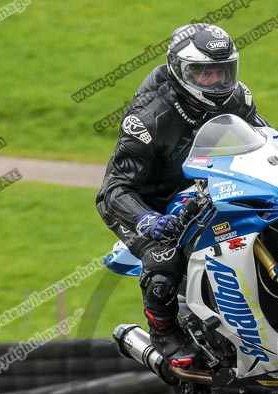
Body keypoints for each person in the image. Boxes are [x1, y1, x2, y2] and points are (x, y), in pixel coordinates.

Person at [96, 23, 269, 369]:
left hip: (208, 186)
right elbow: (114, 189)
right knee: (165, 261)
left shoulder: (238, 97)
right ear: (180, 71)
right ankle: (163, 331)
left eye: (223, 71)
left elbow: (265, 140)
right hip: (147, 203)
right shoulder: (147, 118)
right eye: (204, 73)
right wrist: (148, 220)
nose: (217, 82)